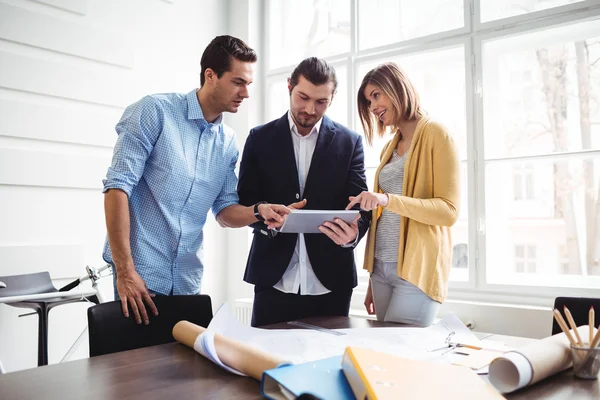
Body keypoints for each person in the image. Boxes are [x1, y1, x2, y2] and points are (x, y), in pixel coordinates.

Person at [102, 35, 290, 325]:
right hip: (140, 278)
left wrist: (258, 211)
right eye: (238, 82)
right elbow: (117, 188)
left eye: (248, 84)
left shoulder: (227, 142)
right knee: (136, 369)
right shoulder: (154, 112)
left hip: (187, 282)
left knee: (186, 370)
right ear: (210, 76)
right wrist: (125, 270)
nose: (245, 93)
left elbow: (225, 211)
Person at [238, 57, 371, 327]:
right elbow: (246, 202)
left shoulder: (350, 142)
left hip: (332, 283)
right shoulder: (259, 138)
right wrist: (265, 215)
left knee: (327, 366)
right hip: (273, 279)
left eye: (321, 101)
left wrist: (352, 235)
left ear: (332, 98)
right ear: (289, 86)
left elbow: (360, 206)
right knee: (265, 364)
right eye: (303, 97)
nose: (310, 109)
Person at [349, 62, 460, 326]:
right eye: (368, 101)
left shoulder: (436, 133)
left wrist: (387, 200)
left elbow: (449, 211)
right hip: (381, 269)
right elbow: (384, 217)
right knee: (386, 356)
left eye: (376, 95)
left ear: (397, 88)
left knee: (403, 351)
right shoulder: (390, 146)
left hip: (416, 270)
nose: (373, 107)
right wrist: (371, 280)